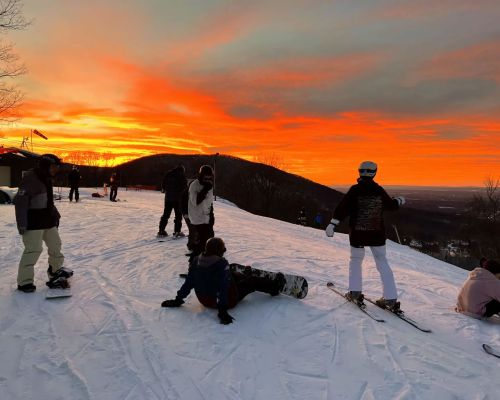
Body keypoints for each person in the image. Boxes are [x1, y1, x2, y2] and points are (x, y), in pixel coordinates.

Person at [325, 161, 405, 310]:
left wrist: (333, 224)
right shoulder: (378, 190)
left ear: (359, 172)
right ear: (375, 173)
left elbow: (342, 208)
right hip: (377, 234)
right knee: (382, 262)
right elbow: (390, 206)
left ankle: (355, 292)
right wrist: (399, 201)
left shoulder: (355, 190)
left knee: (355, 261)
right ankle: (391, 298)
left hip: (358, 234)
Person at [161, 237, 285, 324]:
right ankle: (275, 288)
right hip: (226, 301)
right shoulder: (221, 264)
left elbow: (188, 283)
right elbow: (223, 288)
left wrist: (178, 300)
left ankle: (243, 277)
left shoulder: (196, 262)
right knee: (252, 281)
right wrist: (222, 311)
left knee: (229, 273)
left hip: (204, 300)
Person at [13, 154, 73, 292]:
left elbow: (48, 201)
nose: (55, 170)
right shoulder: (31, 179)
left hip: (47, 220)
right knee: (33, 250)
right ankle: (24, 282)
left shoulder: (46, 178)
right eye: (53, 167)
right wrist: (21, 223)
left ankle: (55, 272)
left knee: (55, 245)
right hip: (33, 222)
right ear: (45, 166)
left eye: (56, 167)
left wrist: (56, 216)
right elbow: (20, 202)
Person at [188, 165, 215, 259]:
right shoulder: (194, 185)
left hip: (206, 216)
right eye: (205, 177)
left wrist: (211, 215)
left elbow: (209, 202)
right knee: (203, 240)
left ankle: (208, 256)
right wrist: (205, 189)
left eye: (209, 177)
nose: (207, 179)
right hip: (197, 217)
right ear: (201, 175)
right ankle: (194, 261)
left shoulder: (209, 185)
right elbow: (195, 202)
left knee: (209, 237)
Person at [158, 165, 188, 238]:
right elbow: (185, 187)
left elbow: (163, 185)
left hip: (168, 198)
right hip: (178, 199)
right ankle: (177, 231)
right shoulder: (181, 175)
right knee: (178, 216)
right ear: (182, 170)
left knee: (166, 215)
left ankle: (161, 231)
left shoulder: (168, 174)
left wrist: (168, 191)